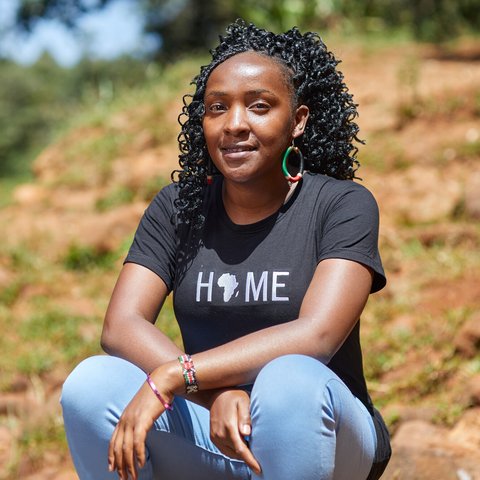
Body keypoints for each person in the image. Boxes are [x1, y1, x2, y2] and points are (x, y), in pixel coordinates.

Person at [61, 20, 391, 480]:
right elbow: (122, 325)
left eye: (259, 106)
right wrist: (212, 394)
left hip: (327, 436)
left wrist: (178, 374)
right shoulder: (179, 208)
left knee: (288, 379)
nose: (235, 124)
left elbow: (316, 336)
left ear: (297, 121)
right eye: (218, 108)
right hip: (213, 423)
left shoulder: (341, 205)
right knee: (91, 385)